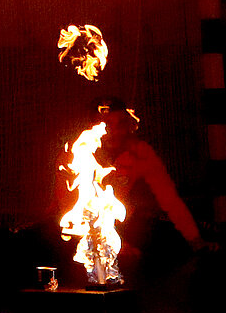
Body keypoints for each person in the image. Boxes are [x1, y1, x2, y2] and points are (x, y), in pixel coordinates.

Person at [90, 96, 210, 282]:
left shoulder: (140, 153)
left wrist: (195, 240)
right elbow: (68, 206)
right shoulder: (80, 153)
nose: (113, 131)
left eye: (120, 124)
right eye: (107, 125)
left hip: (131, 231)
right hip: (87, 236)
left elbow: (169, 199)